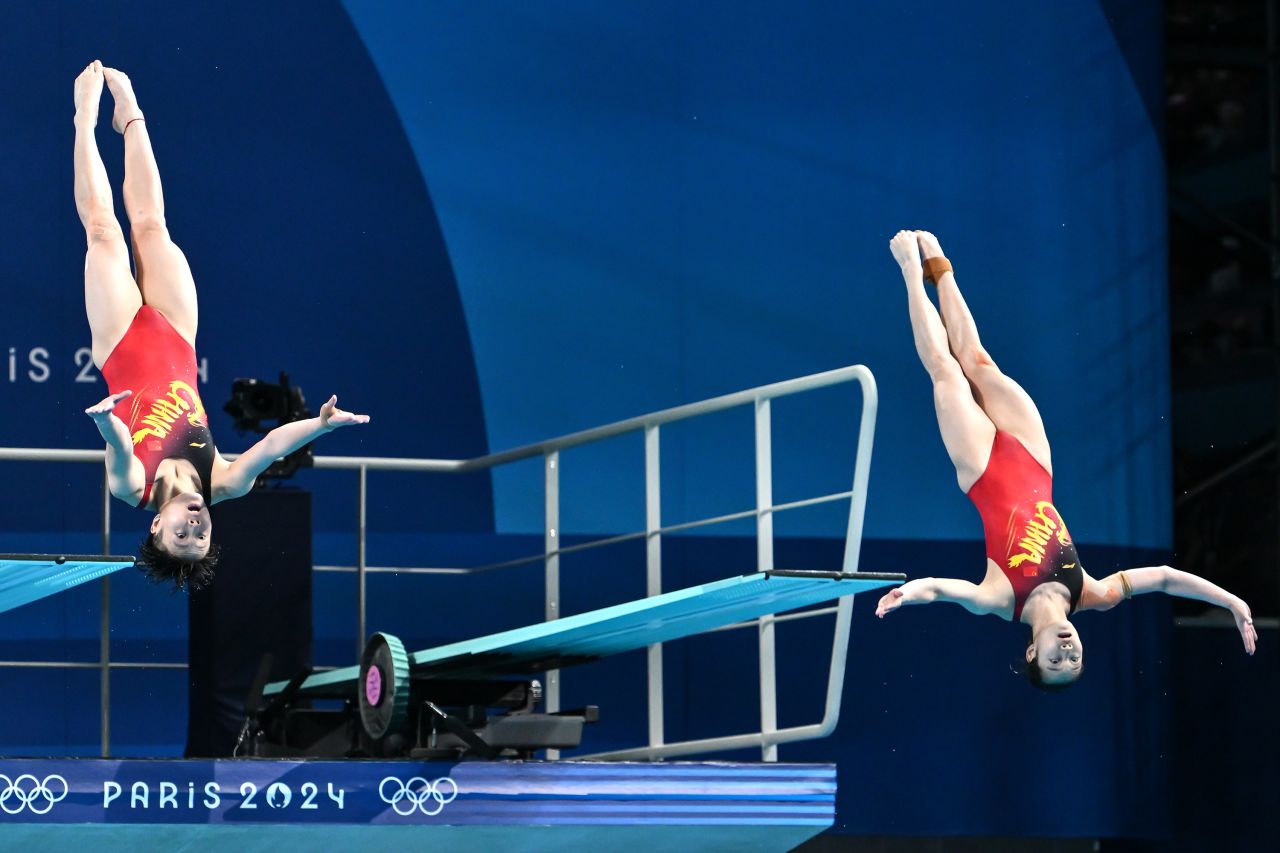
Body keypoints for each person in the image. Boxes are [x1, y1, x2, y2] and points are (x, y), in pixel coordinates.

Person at [875, 229, 1257, 688]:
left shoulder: (1001, 600)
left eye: (1055, 662)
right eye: (1075, 662)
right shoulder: (1093, 593)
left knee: (946, 371)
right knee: (978, 361)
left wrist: (907, 594)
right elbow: (1165, 577)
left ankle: (912, 273)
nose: (1068, 652)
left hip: (981, 470)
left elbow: (938, 588)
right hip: (1034, 459)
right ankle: (940, 267)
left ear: (1033, 651)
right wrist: (1232, 602)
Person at [73, 60, 370, 590]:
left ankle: (83, 117)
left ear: (156, 525)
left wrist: (104, 421)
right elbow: (273, 447)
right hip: (176, 337)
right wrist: (322, 425)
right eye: (201, 537)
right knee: (152, 224)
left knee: (103, 231)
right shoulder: (224, 483)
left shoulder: (133, 489)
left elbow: (119, 448)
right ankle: (132, 118)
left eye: (180, 536)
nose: (194, 527)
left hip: (120, 345)